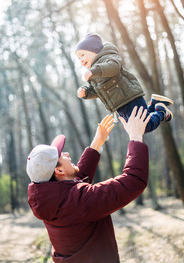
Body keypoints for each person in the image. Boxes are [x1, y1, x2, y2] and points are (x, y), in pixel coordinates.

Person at [27, 107, 150, 263]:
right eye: (61, 155)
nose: (67, 154)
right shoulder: (78, 202)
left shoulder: (49, 200)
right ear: (58, 170)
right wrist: (135, 137)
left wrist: (97, 142)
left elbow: (75, 184)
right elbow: (134, 180)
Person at [75, 33, 174, 132]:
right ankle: (154, 104)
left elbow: (114, 67)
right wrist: (86, 92)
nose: (81, 60)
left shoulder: (107, 58)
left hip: (129, 98)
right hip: (120, 105)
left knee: (143, 127)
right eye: (79, 58)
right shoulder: (94, 73)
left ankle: (161, 112)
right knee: (137, 127)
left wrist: (94, 71)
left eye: (82, 55)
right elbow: (99, 91)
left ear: (95, 51)